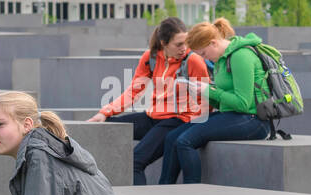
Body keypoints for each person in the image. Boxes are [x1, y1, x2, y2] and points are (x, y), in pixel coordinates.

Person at [86, 16, 210, 184]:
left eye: (186, 42)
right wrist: (105, 112)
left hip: (176, 120)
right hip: (153, 117)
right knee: (107, 125)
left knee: (134, 162)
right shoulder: (151, 57)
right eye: (178, 44)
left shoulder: (193, 60)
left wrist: (191, 124)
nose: (184, 48)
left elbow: (207, 98)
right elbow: (134, 91)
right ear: (164, 43)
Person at [158, 18, 270, 184]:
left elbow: (243, 103)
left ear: (213, 43)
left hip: (254, 120)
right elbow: (224, 101)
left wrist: (208, 90)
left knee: (184, 142)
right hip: (233, 115)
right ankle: (163, 190)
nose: (204, 58)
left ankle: (193, 194)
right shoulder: (221, 60)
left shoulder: (241, 56)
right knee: (172, 137)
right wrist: (202, 92)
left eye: (203, 53)